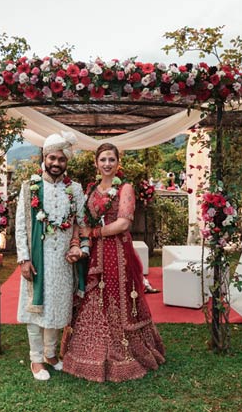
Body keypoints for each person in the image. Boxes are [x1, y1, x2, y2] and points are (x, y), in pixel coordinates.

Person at [62, 143, 165, 382]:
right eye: (102, 160)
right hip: (93, 251)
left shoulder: (125, 188)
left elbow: (123, 224)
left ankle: (125, 350)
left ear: (118, 162)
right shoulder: (90, 189)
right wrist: (80, 241)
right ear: (96, 163)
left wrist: (95, 234)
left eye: (111, 159)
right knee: (92, 295)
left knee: (117, 297)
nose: (107, 164)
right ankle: (90, 351)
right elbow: (83, 220)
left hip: (117, 251)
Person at [15, 131, 87, 381]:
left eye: (62, 159)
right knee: (36, 310)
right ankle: (36, 360)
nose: (56, 163)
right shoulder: (29, 188)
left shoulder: (75, 189)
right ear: (44, 157)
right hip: (38, 259)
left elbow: (81, 222)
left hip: (63, 260)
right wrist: (24, 259)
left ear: (67, 162)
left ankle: (51, 355)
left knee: (57, 309)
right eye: (52, 158)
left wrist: (78, 245)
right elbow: (21, 226)